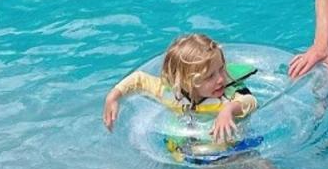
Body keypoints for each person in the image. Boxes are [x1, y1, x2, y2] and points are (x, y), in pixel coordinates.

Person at [102, 33, 257, 142]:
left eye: (222, 69)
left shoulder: (228, 94)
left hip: (234, 148)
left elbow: (250, 101)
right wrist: (114, 96)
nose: (221, 79)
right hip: (194, 152)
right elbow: (139, 79)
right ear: (186, 82)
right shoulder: (172, 95)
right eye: (210, 76)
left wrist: (228, 110)